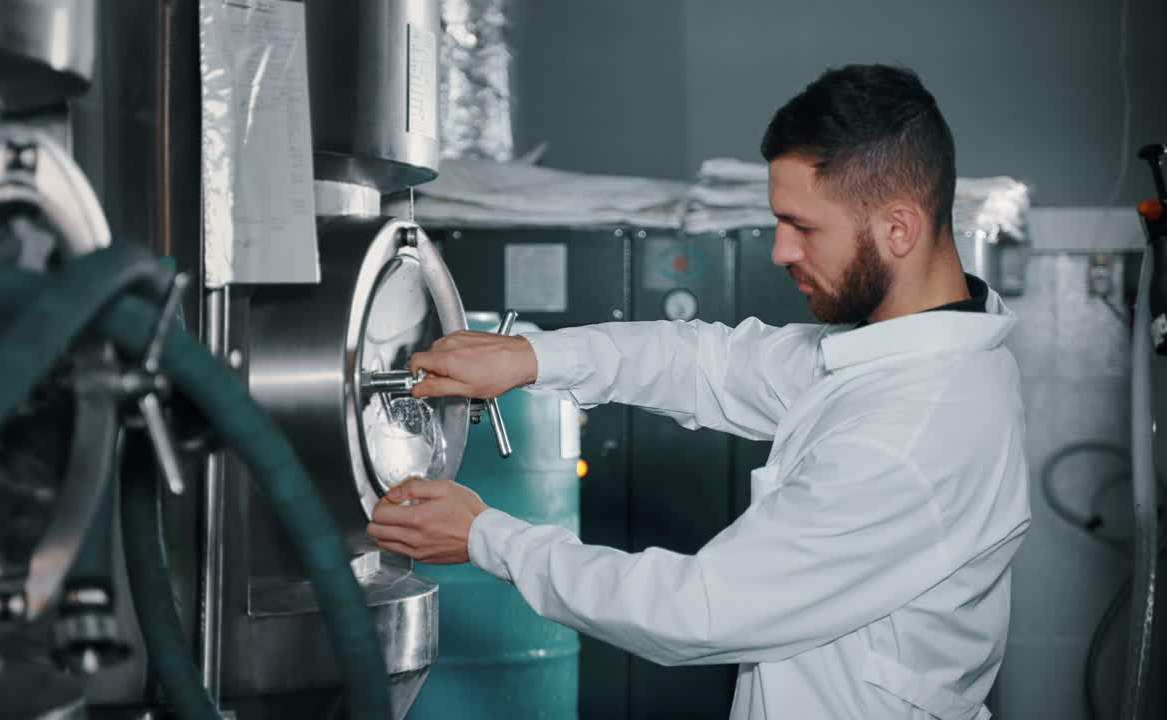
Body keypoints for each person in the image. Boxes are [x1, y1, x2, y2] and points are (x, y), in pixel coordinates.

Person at [367, 64, 1029, 720]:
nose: (780, 251)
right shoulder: (915, 350)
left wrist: (488, 537)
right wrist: (533, 356)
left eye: (804, 226)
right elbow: (709, 362)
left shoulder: (912, 433)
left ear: (898, 230)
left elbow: (698, 612)